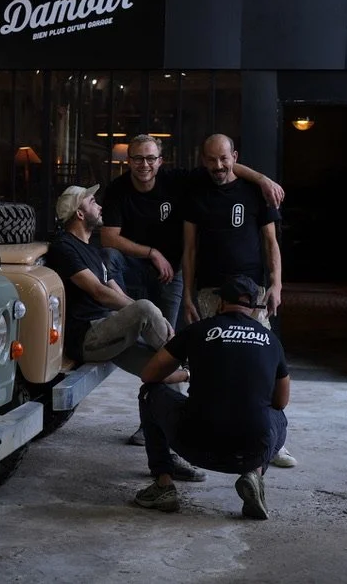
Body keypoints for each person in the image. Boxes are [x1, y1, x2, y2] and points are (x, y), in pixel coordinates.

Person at [100, 133, 285, 446]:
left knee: (175, 346)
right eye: (137, 158)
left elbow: (224, 167)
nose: (144, 165)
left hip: (179, 276)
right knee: (170, 347)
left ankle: (262, 430)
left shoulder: (179, 181)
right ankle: (163, 422)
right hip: (140, 276)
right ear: (127, 161)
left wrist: (262, 179)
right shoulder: (121, 189)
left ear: (160, 161)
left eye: (150, 158)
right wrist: (154, 256)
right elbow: (110, 238)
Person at [44, 183, 205, 482]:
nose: (99, 205)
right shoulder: (64, 247)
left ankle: (168, 459)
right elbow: (100, 293)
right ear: (79, 212)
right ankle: (192, 362)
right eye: (92, 201)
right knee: (146, 310)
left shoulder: (93, 250)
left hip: (111, 332)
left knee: (161, 373)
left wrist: (147, 317)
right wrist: (146, 314)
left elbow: (116, 292)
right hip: (89, 337)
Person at [132, 275, 291, 520]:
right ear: (253, 307)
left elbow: (149, 375)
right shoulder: (271, 340)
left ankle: (163, 485)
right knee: (278, 416)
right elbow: (281, 401)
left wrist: (188, 374)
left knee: (148, 393)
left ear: (220, 303)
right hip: (249, 454)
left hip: (194, 446)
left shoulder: (197, 330)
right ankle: (254, 474)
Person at [181, 133, 296, 468]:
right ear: (203, 160)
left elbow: (271, 243)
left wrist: (276, 285)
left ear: (235, 156)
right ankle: (205, 438)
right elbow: (190, 250)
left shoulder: (256, 191)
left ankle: (273, 441)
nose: (218, 166)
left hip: (253, 292)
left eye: (224, 158)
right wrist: (187, 295)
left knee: (261, 365)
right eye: (211, 159)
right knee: (211, 365)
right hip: (210, 292)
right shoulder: (196, 192)